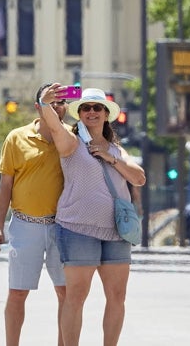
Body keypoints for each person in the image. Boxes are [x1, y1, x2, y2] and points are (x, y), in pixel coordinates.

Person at [39, 86, 146, 346]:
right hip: (77, 229)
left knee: (117, 296)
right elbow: (54, 127)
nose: (91, 112)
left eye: (97, 107)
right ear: (80, 114)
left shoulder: (117, 150)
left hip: (116, 233)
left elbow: (139, 178)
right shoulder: (72, 143)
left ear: (106, 114)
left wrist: (110, 157)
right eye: (86, 108)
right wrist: (43, 103)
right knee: (76, 296)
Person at [0, 84, 68, 346]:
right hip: (25, 225)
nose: (58, 107)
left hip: (63, 227)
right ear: (39, 107)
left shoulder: (70, 138)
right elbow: (6, 188)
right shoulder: (16, 138)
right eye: (51, 102)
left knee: (66, 293)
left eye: (62, 102)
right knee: (18, 292)